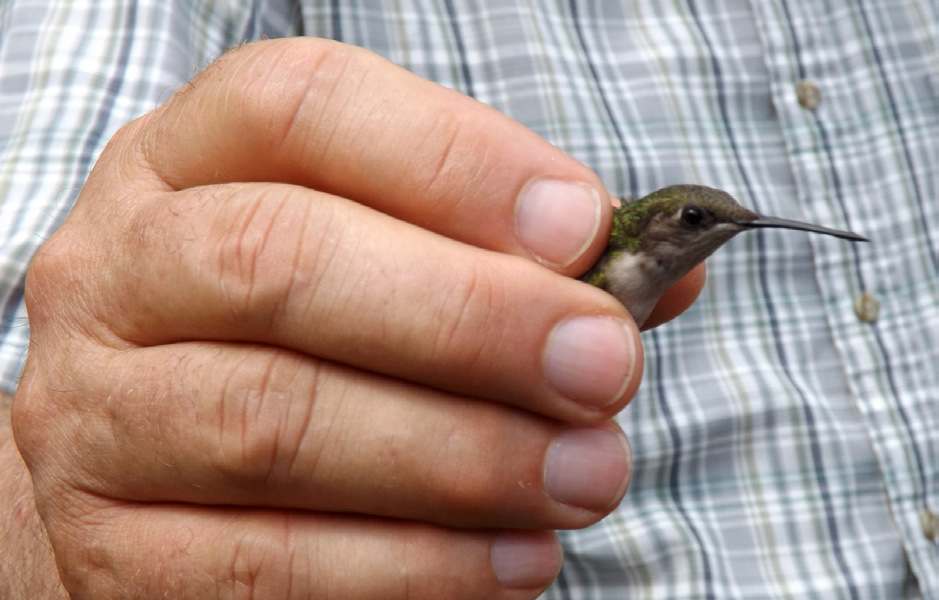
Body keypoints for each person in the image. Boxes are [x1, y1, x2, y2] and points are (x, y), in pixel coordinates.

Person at [1, 2, 936, 598]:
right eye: (698, 222)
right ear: (650, 230)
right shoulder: (600, 261)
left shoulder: (656, 283)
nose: (714, 233)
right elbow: (34, 343)